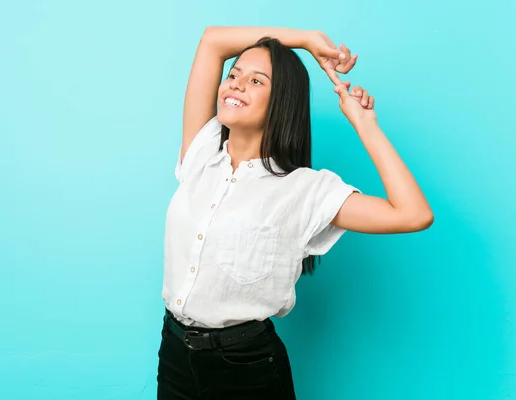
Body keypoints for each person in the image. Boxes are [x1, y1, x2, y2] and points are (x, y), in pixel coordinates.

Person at [157, 26, 433, 400]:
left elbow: (413, 214)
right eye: (234, 75)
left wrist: (365, 125)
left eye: (256, 81)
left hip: (246, 368)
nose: (235, 84)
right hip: (174, 353)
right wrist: (305, 39)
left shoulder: (305, 190)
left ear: (281, 102)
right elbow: (212, 41)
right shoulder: (202, 153)